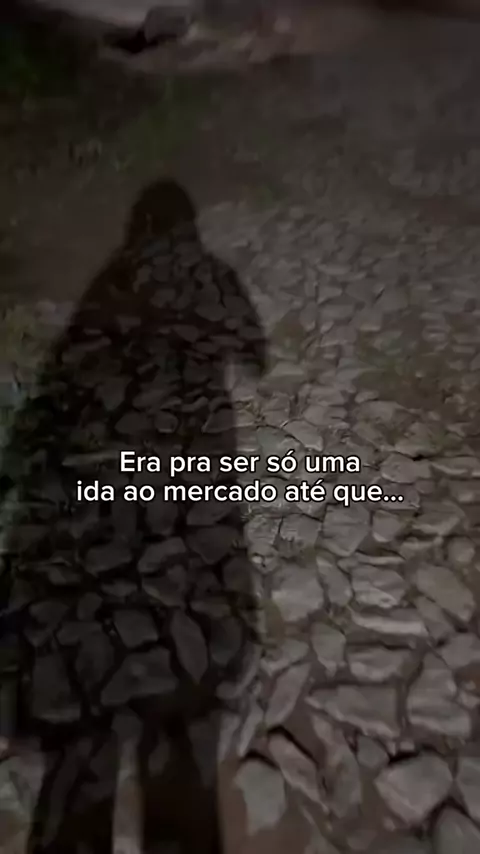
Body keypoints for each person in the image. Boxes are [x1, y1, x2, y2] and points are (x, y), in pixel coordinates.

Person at [0, 179, 267, 853]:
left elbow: (64, 372)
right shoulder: (210, 272)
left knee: (79, 746)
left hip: (91, 509)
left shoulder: (112, 279)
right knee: (183, 750)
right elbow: (254, 351)